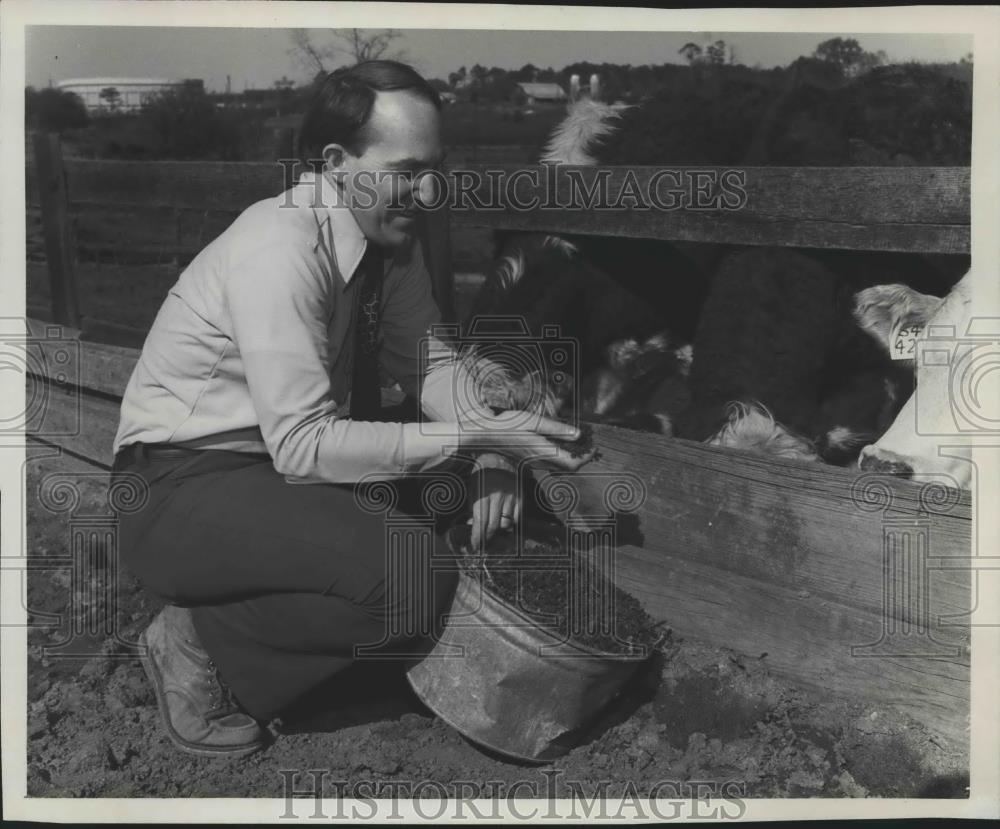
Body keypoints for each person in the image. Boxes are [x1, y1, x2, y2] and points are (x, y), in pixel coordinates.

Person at [110, 60, 591, 757]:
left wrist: (490, 448)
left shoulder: (388, 243)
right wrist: (474, 436)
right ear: (336, 162)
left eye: (437, 167)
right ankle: (196, 638)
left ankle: (328, 633)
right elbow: (305, 445)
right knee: (413, 575)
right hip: (178, 486)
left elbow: (427, 365)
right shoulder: (279, 248)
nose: (428, 191)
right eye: (407, 169)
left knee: (457, 502)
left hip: (270, 475)